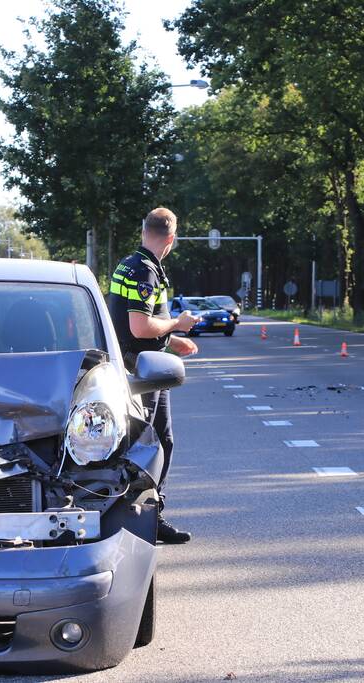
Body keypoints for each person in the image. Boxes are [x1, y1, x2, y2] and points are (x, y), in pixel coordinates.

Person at [106, 207, 198, 544]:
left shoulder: (128, 265)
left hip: (131, 362)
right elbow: (140, 326)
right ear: (171, 239)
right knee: (156, 441)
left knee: (139, 441)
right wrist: (177, 323)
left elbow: (127, 322)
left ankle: (141, 515)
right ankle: (147, 518)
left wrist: (172, 340)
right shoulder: (146, 272)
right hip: (143, 370)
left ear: (144, 231)